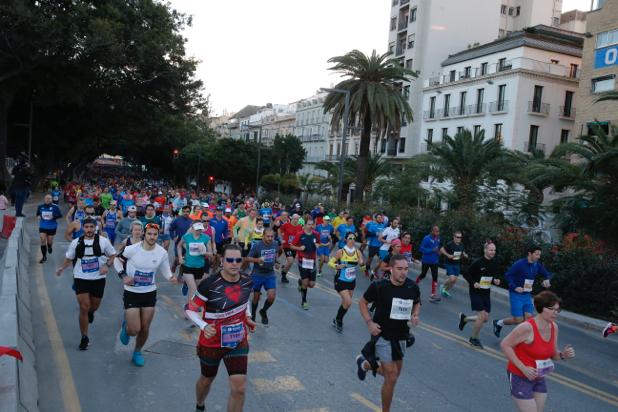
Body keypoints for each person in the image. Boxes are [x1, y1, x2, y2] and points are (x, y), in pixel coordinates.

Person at [185, 244, 256, 412]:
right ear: (222, 261)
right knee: (207, 379)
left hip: (237, 341)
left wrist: (248, 317)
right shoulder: (209, 284)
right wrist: (203, 325)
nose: (234, 263)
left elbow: (244, 301)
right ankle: (200, 405)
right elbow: (190, 309)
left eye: (238, 260)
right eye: (229, 260)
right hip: (211, 342)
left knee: (239, 389)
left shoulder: (247, 280)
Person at [355, 254, 421, 412]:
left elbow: (417, 302)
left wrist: (415, 314)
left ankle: (365, 364)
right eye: (399, 269)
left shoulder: (412, 287)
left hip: (401, 336)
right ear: (390, 269)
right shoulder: (379, 286)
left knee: (394, 373)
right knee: (391, 377)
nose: (403, 272)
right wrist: (369, 322)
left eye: (406, 269)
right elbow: (362, 302)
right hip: (382, 335)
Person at [500, 291, 575, 412]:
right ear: (540, 308)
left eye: (557, 310)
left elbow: (552, 353)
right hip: (520, 376)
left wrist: (563, 355)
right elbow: (505, 345)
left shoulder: (553, 327)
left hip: (538, 376)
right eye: (552, 309)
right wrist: (523, 368)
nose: (555, 313)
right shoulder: (527, 327)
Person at [116, 223, 177, 366]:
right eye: (149, 234)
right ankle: (127, 327)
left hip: (149, 293)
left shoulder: (161, 252)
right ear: (144, 234)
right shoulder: (132, 249)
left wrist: (170, 277)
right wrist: (123, 276)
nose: (152, 237)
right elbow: (117, 261)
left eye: (155, 234)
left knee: (145, 327)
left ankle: (137, 351)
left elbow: (165, 269)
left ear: (158, 235)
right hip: (132, 292)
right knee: (134, 330)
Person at [55, 218, 116, 350]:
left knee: (93, 306)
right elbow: (69, 257)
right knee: (84, 307)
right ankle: (84, 337)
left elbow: (113, 255)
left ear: (96, 228)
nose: (89, 229)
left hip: (98, 278)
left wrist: (107, 265)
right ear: (83, 228)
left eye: (91, 227)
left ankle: (91, 312)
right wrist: (61, 268)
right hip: (80, 277)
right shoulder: (76, 242)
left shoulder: (104, 241)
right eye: (86, 227)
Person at [493, 245, 552, 338]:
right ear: (530, 254)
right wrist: (515, 287)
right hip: (515, 294)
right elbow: (508, 275)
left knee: (528, 319)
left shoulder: (537, 265)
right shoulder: (519, 264)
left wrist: (547, 279)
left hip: (527, 295)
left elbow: (547, 273)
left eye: (539, 255)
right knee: (518, 320)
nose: (538, 257)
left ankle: (521, 341)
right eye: (536, 254)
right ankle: (498, 323)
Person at [458, 241, 501, 348]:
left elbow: (491, 277)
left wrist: (495, 281)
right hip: (475, 292)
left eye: (494, 250)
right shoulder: (478, 262)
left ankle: (465, 319)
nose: (493, 252)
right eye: (491, 250)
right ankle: (474, 338)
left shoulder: (495, 263)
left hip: (486, 292)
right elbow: (466, 274)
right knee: (481, 316)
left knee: (485, 318)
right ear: (485, 250)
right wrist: (474, 283)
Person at [329, 232, 364, 332]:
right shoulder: (341, 252)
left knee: (346, 303)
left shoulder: (358, 252)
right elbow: (330, 262)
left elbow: (362, 267)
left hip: (351, 281)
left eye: (354, 238)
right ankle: (339, 320)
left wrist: (362, 265)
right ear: (346, 239)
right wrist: (337, 266)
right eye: (350, 238)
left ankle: (337, 319)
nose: (352, 240)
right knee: (348, 301)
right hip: (340, 280)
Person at [245, 228, 279, 325]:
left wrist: (276, 262)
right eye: (268, 236)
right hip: (257, 274)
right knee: (255, 297)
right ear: (263, 236)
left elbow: (276, 253)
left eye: (272, 236)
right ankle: (254, 315)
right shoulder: (257, 246)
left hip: (270, 274)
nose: (270, 238)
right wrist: (257, 260)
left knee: (271, 297)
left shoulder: (275, 244)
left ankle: (263, 311)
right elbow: (248, 258)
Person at [177, 221, 213, 309]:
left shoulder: (206, 238)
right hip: (187, 266)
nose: (198, 231)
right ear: (192, 229)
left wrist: (204, 252)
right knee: (193, 289)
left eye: (200, 230)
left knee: (195, 290)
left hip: (200, 267)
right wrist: (180, 258)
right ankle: (191, 309)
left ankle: (188, 306)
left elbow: (211, 253)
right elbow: (179, 246)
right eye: (197, 230)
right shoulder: (186, 237)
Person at [291, 219, 318, 310]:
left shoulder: (316, 234)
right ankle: (304, 301)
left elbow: (318, 243)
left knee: (311, 284)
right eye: (309, 224)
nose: (311, 226)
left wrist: (319, 245)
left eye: (312, 224)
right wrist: (299, 248)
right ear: (305, 225)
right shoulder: (300, 234)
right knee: (305, 283)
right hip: (303, 260)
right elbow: (292, 245)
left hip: (312, 261)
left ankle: (300, 281)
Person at [416, 225, 442, 302]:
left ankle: (433, 294)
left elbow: (437, 248)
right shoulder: (426, 238)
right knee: (423, 274)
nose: (438, 233)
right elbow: (421, 249)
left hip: (435, 261)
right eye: (436, 231)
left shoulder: (438, 238)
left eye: (438, 231)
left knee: (435, 277)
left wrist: (439, 252)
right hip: (426, 260)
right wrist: (432, 250)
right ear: (432, 231)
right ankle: (415, 284)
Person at [439, 231, 468, 298]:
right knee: (452, 279)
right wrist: (448, 255)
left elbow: (462, 252)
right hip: (449, 263)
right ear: (454, 237)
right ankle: (442, 285)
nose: (459, 239)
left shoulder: (461, 245)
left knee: (454, 280)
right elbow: (441, 249)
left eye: (460, 237)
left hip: (457, 264)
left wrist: (465, 255)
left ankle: (445, 290)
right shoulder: (450, 244)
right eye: (457, 237)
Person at [36, 194, 63, 263]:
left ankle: (50, 246)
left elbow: (60, 215)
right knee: (42, 240)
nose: (48, 199)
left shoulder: (55, 207)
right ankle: (44, 257)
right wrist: (38, 216)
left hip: (52, 226)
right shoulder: (40, 206)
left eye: (49, 198)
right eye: (46, 198)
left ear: (52, 199)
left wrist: (53, 217)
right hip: (43, 226)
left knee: (49, 241)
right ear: (44, 199)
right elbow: (38, 214)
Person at [279, 213, 302, 284]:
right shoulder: (286, 225)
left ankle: (284, 274)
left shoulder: (299, 227)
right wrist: (281, 239)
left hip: (294, 247)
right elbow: (279, 231)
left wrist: (299, 247)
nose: (295, 220)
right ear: (291, 218)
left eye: (297, 219)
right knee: (290, 261)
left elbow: (300, 237)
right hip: (287, 246)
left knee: (290, 263)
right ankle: (283, 274)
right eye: (294, 219)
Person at [364, 214, 386, 278]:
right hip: (372, 245)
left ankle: (375, 271)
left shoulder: (383, 225)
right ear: (375, 218)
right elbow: (368, 234)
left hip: (380, 246)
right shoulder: (372, 225)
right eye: (378, 217)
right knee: (370, 259)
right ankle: (366, 269)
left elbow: (384, 234)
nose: (379, 219)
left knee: (381, 260)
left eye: (380, 218)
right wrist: (375, 234)